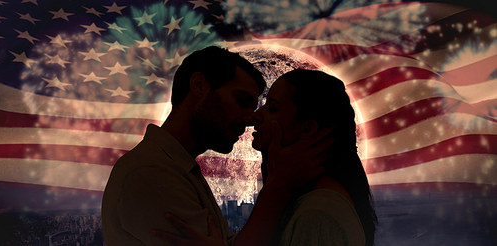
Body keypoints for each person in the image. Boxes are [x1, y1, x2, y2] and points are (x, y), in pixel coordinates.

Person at [102, 47, 332, 246]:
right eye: (241, 101)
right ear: (199, 85)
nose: (251, 119)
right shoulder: (150, 173)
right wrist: (278, 186)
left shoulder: (178, 167)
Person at [152, 69, 377, 246]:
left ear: (306, 129)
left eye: (272, 109)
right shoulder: (300, 200)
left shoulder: (318, 214)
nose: (255, 118)